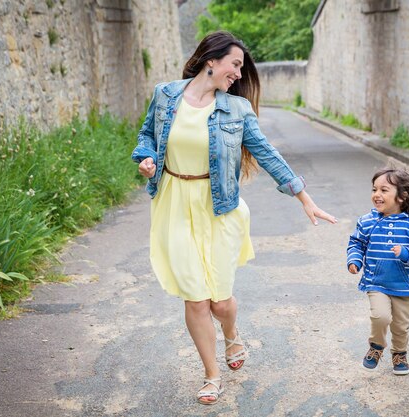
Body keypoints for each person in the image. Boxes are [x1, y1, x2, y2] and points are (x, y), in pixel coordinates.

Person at [131, 31, 336, 405]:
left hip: (219, 207)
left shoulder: (236, 110)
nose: (239, 74)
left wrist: (303, 197)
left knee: (220, 303)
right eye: (235, 64)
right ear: (212, 59)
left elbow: (268, 153)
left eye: (241, 68)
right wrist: (145, 158)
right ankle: (212, 375)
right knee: (196, 300)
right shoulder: (165, 95)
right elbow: (146, 135)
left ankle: (231, 332)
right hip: (174, 202)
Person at [346, 167, 409, 375]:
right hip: (376, 282)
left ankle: (399, 354)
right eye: (374, 189)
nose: (377, 195)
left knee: (401, 326)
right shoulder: (368, 221)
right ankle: (376, 346)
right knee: (380, 316)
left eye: (384, 190)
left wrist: (406, 253)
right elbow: (356, 243)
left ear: (402, 196)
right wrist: (354, 260)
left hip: (404, 286)